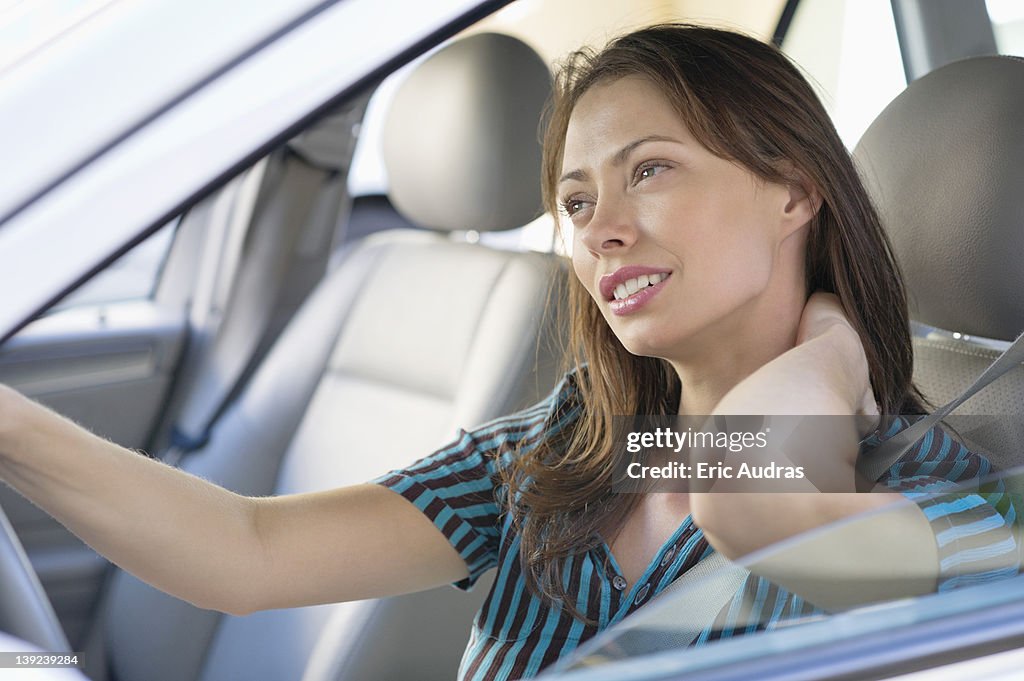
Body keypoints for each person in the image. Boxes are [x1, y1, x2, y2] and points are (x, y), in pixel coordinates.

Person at [0, 23, 1017, 681]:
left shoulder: (948, 502)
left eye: (647, 171)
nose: (598, 230)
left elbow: (755, 506)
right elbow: (247, 554)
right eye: (575, 202)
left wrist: (835, 355)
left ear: (793, 192)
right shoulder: (589, 446)